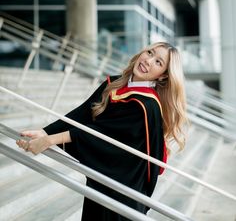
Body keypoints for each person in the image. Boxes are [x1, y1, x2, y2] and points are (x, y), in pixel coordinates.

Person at [16, 42, 188, 221]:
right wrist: (45, 132)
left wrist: (50, 141)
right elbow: (82, 113)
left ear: (163, 76)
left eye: (158, 62)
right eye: (150, 52)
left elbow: (101, 136)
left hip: (122, 194)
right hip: (100, 182)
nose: (148, 60)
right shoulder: (114, 83)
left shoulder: (146, 106)